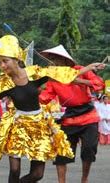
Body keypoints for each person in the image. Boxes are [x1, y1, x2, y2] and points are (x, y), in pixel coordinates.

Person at [0, 35, 105, 182]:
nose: (2, 65)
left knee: (37, 174)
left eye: (5, 61)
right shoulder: (4, 83)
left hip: (38, 126)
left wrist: (88, 68)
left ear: (16, 59)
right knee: (14, 169)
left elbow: (64, 75)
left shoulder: (34, 73)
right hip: (17, 126)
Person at [39, 45, 105, 183]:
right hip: (69, 117)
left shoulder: (79, 70)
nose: (52, 62)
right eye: (51, 60)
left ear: (64, 60)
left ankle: (84, 179)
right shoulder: (54, 79)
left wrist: (78, 80)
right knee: (61, 152)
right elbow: (44, 98)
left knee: (89, 149)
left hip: (88, 115)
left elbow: (99, 85)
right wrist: (31, 90)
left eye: (55, 59)